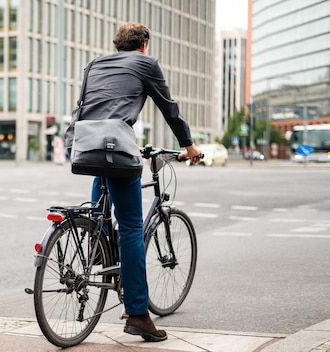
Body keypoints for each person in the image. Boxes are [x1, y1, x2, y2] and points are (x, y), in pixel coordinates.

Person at [64, 22, 202, 342]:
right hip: (115, 149)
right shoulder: (146, 63)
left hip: (86, 146)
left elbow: (83, 107)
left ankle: (97, 250)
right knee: (130, 227)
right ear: (144, 45)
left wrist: (72, 143)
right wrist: (189, 146)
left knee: (101, 209)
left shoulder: (94, 64)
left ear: (117, 45)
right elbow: (169, 108)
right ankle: (139, 314)